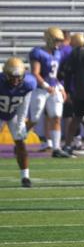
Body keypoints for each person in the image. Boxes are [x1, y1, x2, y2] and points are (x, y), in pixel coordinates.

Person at [28, 26, 70, 158]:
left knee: (56, 116)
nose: (59, 43)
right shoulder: (38, 52)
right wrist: (46, 86)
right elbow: (35, 73)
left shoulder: (57, 53)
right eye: (57, 40)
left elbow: (55, 75)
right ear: (49, 39)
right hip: (40, 89)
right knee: (34, 119)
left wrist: (61, 87)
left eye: (60, 40)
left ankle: (56, 148)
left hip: (53, 88)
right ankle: (19, 139)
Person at [1, 58, 37, 187]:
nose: (16, 80)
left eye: (18, 77)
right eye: (12, 76)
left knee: (20, 143)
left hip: (13, 114)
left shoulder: (28, 83)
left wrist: (21, 123)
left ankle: (25, 177)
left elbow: (24, 105)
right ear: (5, 74)